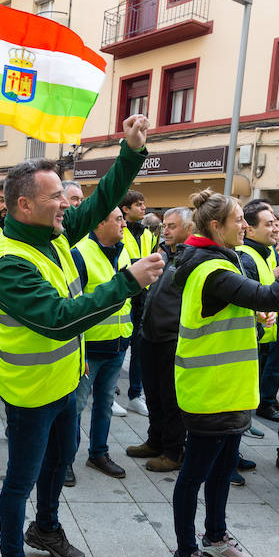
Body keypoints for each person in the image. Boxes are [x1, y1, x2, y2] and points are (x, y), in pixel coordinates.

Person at [0, 114, 162, 557]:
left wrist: (130, 151)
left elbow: (104, 199)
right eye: (55, 197)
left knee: (60, 462)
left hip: (66, 382)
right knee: (19, 480)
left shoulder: (54, 235)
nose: (67, 204)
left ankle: (45, 528)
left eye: (65, 196)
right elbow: (59, 320)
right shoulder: (11, 262)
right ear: (25, 205)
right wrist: (127, 281)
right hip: (31, 392)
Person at [167, 191, 279, 557]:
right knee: (194, 475)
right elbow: (277, 295)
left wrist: (251, 319)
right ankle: (185, 553)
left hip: (231, 390)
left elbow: (233, 315)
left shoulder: (220, 261)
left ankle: (215, 537)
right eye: (239, 220)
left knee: (222, 471)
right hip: (208, 392)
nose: (246, 227)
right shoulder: (209, 268)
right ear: (216, 227)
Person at [127, 206, 193, 473]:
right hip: (150, 336)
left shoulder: (191, 260)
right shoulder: (164, 254)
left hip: (172, 339)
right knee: (153, 395)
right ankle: (155, 441)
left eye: (172, 226)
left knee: (170, 399)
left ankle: (173, 451)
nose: (165, 230)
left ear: (190, 229)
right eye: (164, 225)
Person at [71, 208, 133, 482]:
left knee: (105, 403)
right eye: (118, 219)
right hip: (90, 347)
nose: (124, 223)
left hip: (118, 344)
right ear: (99, 222)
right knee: (75, 406)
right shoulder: (80, 253)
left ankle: (98, 453)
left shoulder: (123, 249)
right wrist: (79, 349)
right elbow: (73, 305)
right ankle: (64, 461)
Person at [239, 201, 279, 424]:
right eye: (270, 224)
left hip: (262, 334)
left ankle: (245, 425)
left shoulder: (264, 252)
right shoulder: (246, 256)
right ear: (250, 229)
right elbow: (250, 298)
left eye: (276, 223)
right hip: (249, 337)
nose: (276, 228)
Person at [120, 189, 156, 417]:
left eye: (144, 204)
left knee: (139, 349)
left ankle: (135, 394)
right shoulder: (118, 229)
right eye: (139, 204)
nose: (144, 208)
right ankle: (111, 391)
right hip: (124, 296)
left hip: (144, 297)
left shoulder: (148, 234)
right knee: (122, 346)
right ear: (126, 209)